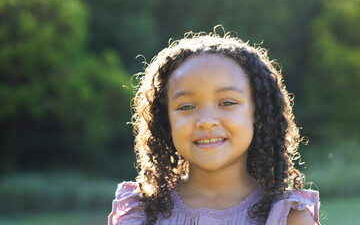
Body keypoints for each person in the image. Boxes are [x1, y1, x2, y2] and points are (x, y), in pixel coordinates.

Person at [108, 28, 320, 225]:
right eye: (187, 106)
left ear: (258, 114)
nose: (206, 120)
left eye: (226, 103)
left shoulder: (286, 216)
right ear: (166, 121)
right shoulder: (140, 213)